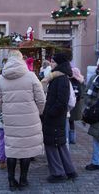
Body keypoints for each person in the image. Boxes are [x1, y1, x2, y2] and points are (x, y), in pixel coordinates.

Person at [0, 49, 46, 191]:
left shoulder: (1, 78)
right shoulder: (31, 76)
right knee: (26, 150)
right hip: (29, 118)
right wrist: (38, 112)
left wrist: (5, 109)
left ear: (8, 60)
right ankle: (23, 180)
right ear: (21, 59)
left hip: (10, 119)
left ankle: (11, 181)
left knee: (11, 149)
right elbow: (41, 99)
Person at [42, 53, 77, 182]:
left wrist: (49, 113)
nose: (51, 64)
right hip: (56, 117)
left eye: (53, 62)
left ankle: (58, 173)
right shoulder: (59, 77)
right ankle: (70, 170)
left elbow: (62, 102)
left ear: (59, 64)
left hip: (54, 118)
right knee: (60, 144)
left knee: (52, 144)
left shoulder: (60, 79)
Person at [68, 67, 84, 144]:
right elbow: (81, 94)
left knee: (68, 121)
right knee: (71, 122)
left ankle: (69, 137)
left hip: (71, 105)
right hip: (76, 106)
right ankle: (72, 138)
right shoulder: (80, 82)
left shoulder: (70, 81)